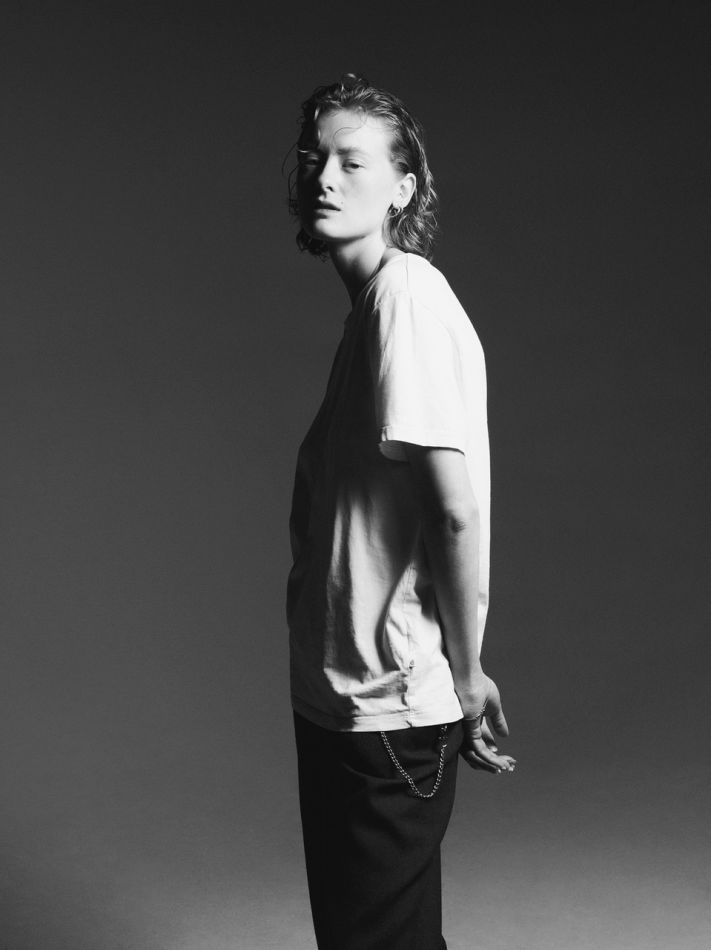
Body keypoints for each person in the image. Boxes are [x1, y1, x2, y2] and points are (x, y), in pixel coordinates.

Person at [286, 74, 516, 950]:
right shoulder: (373, 312)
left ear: (402, 188)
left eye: (351, 161)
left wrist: (467, 671)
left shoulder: (406, 298)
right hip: (343, 700)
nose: (323, 177)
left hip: (388, 702)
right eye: (314, 158)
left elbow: (452, 511)